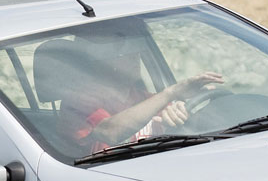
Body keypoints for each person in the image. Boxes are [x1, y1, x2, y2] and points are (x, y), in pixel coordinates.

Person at [56, 26, 223, 154]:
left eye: (135, 48)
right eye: (122, 51)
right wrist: (171, 93)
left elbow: (170, 125)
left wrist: (175, 118)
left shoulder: (145, 98)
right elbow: (109, 132)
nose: (133, 55)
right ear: (99, 58)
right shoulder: (78, 102)